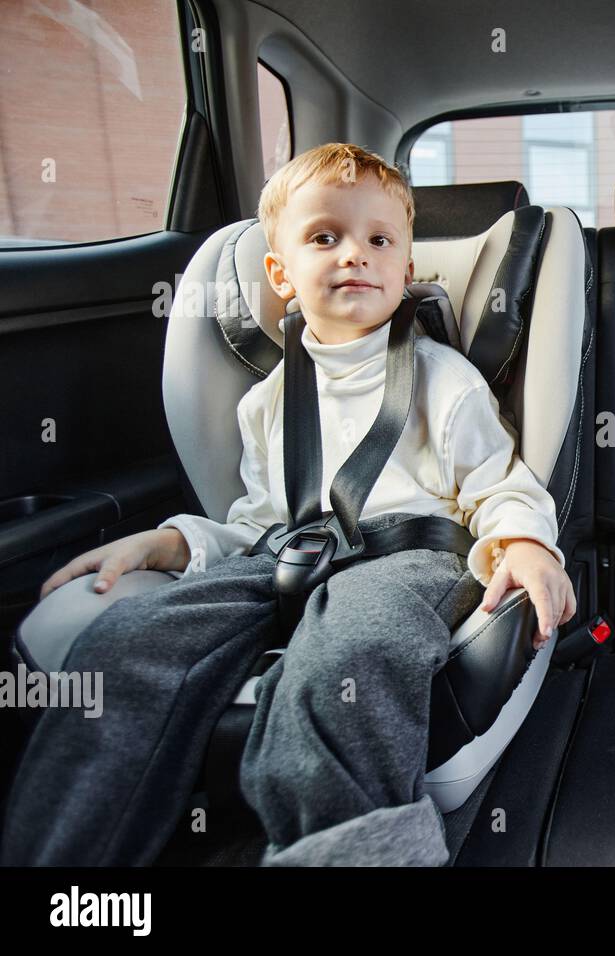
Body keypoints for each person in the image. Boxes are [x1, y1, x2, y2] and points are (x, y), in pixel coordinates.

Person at [1, 142, 576, 866]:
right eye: (324, 238)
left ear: (405, 269)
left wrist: (523, 542)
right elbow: (256, 523)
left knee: (348, 652)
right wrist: (170, 543)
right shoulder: (268, 402)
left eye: (378, 241)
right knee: (130, 641)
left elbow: (501, 484)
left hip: (412, 559)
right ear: (282, 274)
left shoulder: (446, 380)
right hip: (288, 555)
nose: (354, 256)